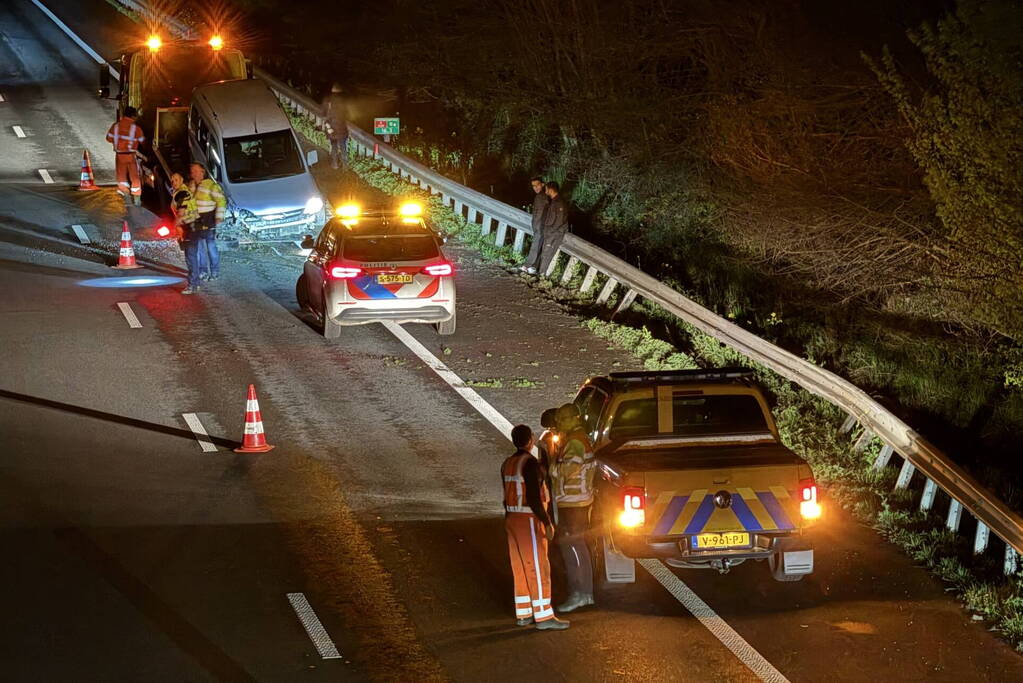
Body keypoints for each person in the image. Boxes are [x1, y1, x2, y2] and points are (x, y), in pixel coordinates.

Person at [502, 424, 569, 631]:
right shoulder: (529, 463)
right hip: (528, 520)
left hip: (512, 519)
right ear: (530, 441)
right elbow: (533, 497)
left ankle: (524, 613)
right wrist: (547, 522)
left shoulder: (508, 463)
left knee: (520, 568)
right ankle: (543, 615)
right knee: (538, 568)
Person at [551, 403, 596, 613]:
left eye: (563, 419)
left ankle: (580, 594)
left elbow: (567, 471)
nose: (559, 423)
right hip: (577, 502)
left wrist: (550, 467)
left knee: (573, 548)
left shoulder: (575, 442)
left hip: (573, 503)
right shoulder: (579, 439)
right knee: (578, 547)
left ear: (574, 419)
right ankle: (582, 593)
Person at [189, 163, 226, 281]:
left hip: (209, 220)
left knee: (211, 246)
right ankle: (203, 271)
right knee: (200, 248)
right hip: (196, 221)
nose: (194, 174)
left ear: (203, 172)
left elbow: (221, 201)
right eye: (192, 171)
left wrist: (219, 217)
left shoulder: (211, 185)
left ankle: (215, 271)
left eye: (196, 171)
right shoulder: (191, 186)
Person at [105, 106, 145, 206]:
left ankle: (126, 199)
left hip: (119, 156)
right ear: (133, 116)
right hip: (131, 156)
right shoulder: (136, 128)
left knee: (121, 177)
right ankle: (137, 200)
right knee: (134, 177)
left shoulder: (115, 126)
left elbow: (108, 138)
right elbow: (143, 141)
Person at [170, 173, 201, 294]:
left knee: (190, 257)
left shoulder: (181, 193)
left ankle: (192, 285)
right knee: (193, 256)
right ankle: (196, 283)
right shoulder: (185, 191)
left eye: (176, 180)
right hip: (194, 226)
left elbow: (181, 213)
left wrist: (174, 227)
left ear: (181, 180)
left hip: (189, 228)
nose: (174, 183)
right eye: (172, 181)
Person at [538, 181, 569, 276]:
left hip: (554, 233)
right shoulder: (554, 201)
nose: (545, 191)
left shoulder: (559, 203)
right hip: (550, 232)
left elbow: (559, 221)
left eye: (546, 189)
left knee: (547, 254)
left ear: (551, 190)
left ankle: (541, 275)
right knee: (544, 253)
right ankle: (540, 273)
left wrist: (550, 232)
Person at [520, 177, 548, 274]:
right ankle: (533, 267)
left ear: (543, 184)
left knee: (536, 246)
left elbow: (541, 214)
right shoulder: (541, 196)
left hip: (540, 226)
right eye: (533, 186)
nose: (535, 187)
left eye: (537, 185)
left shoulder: (542, 196)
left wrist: (537, 226)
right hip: (540, 226)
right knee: (539, 246)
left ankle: (528, 265)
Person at [322, 83, 349, 170]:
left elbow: (323, 114)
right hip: (342, 128)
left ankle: (335, 164)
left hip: (331, 128)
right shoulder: (344, 100)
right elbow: (348, 114)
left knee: (334, 146)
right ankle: (345, 166)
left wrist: (328, 126)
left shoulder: (327, 100)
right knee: (343, 147)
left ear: (332, 90)